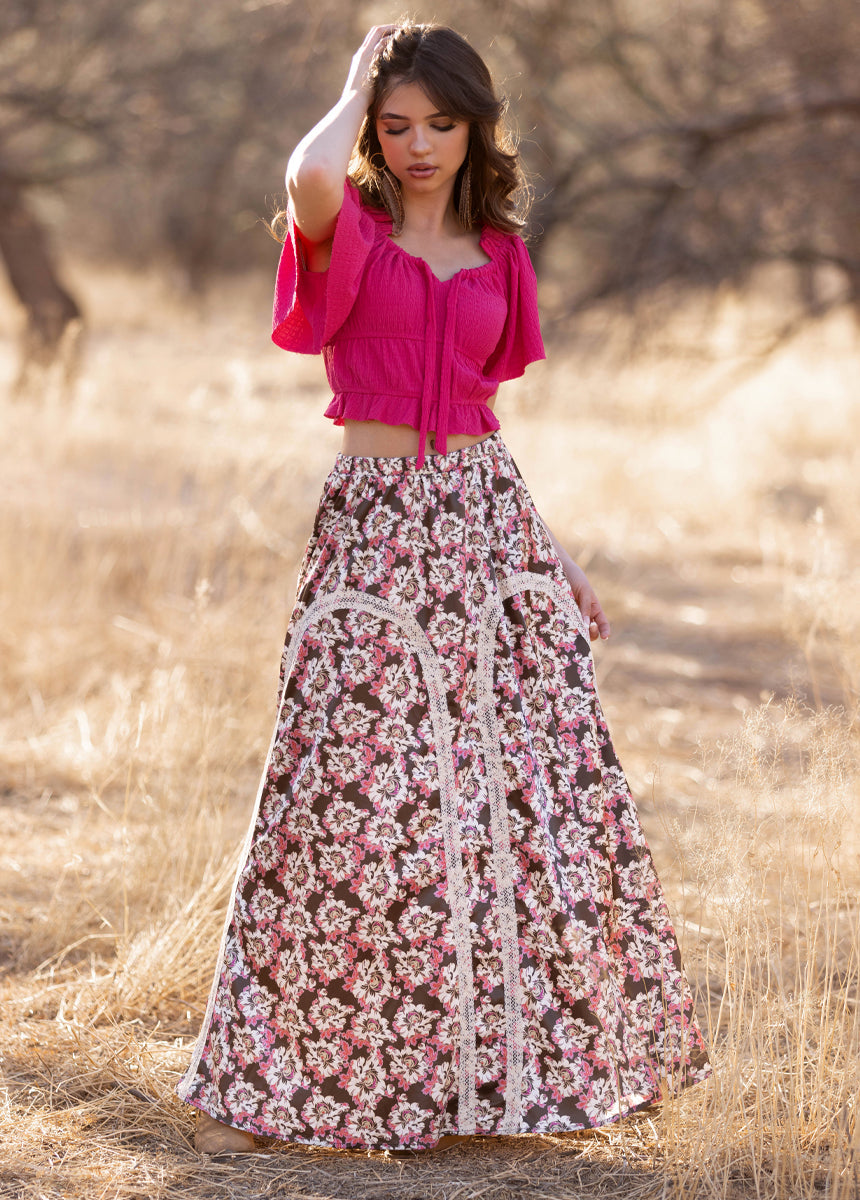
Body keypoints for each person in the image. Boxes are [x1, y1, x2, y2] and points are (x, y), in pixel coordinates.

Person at [177, 22, 710, 1156]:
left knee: (517, 795)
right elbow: (309, 175)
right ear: (374, 127)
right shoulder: (352, 232)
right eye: (396, 124)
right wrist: (351, 79)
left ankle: (495, 1075)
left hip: (481, 525)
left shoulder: (500, 256)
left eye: (440, 123)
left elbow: (482, 423)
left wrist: (549, 553)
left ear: (477, 127)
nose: (417, 145)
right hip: (370, 532)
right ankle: (329, 1080)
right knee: (350, 791)